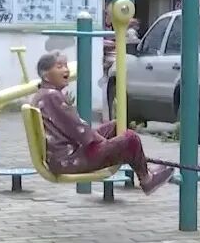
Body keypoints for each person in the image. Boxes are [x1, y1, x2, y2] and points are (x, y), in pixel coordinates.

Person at [32, 51, 175, 194]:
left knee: (116, 126)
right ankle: (146, 179)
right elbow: (76, 128)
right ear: (46, 75)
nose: (66, 70)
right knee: (131, 139)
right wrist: (102, 142)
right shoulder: (52, 97)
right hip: (69, 159)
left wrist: (101, 141)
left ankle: (143, 167)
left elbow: (74, 128)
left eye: (65, 65)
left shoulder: (43, 95)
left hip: (66, 153)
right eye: (59, 67)